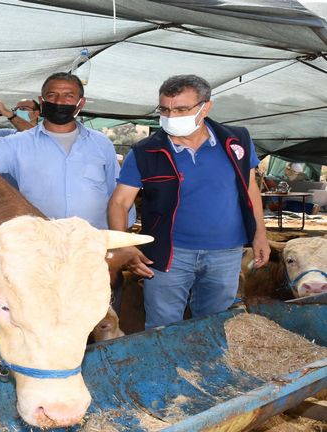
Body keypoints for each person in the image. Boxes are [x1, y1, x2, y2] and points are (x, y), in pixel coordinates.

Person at [107, 74, 270, 329]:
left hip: (225, 253)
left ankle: (207, 367)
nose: (171, 116)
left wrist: (260, 234)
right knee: (163, 325)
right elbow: (119, 203)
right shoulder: (145, 152)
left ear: (205, 107)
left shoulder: (236, 141)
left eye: (182, 109)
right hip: (167, 255)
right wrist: (123, 246)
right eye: (165, 109)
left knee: (215, 324)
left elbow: (250, 189)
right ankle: (170, 368)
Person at [0, 72, 128, 230]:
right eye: (52, 95)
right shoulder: (17, 144)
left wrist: (120, 238)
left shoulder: (101, 144)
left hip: (92, 244)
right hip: (39, 247)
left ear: (81, 103)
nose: (59, 101)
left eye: (68, 96)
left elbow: (117, 195)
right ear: (42, 101)